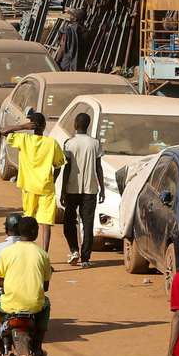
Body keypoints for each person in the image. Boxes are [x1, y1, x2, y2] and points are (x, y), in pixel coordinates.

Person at [0, 216, 51, 356]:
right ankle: (37, 348)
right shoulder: (42, 254)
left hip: (8, 304)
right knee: (46, 304)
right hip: (35, 305)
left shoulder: (6, 253)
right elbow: (46, 286)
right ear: (36, 232)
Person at [0, 112, 64, 254]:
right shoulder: (51, 143)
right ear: (45, 126)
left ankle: (27, 251)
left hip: (29, 187)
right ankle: (44, 254)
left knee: (28, 219)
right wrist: (53, 179)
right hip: (46, 187)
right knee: (46, 223)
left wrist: (22, 126)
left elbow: (2, 130)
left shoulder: (24, 139)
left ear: (31, 126)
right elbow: (59, 165)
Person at [61, 112, 105, 267]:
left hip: (72, 189)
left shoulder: (69, 143)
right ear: (88, 125)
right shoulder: (96, 144)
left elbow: (67, 168)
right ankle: (86, 258)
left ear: (75, 124)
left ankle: (74, 250)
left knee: (69, 222)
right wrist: (102, 188)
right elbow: (98, 168)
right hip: (90, 189)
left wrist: (62, 190)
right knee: (88, 224)